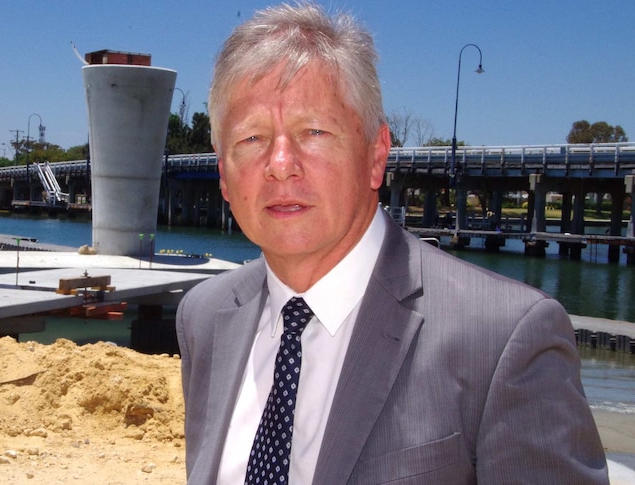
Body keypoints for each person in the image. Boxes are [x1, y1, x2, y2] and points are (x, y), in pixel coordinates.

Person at [175, 3, 608, 484]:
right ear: (224, 176)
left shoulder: (504, 341)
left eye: (314, 131)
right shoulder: (204, 317)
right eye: (252, 138)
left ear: (376, 155)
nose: (280, 163)